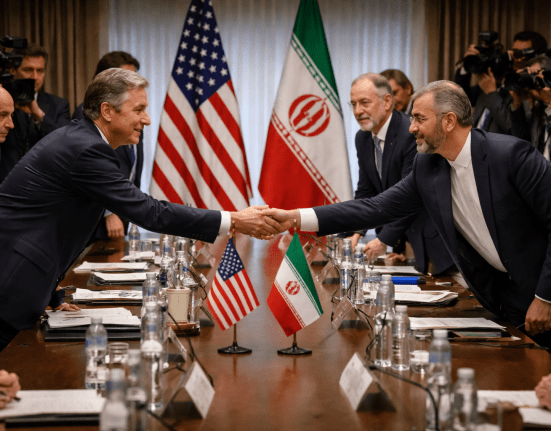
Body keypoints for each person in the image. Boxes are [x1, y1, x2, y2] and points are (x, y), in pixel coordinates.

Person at [0, 68, 284, 352]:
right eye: (139, 110)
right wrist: (233, 220)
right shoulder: (86, 149)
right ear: (107, 111)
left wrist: (52, 294)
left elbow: (47, 220)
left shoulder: (81, 140)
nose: (147, 119)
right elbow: (149, 212)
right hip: (10, 285)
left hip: (23, 280)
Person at [267, 80, 551, 347]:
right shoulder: (428, 166)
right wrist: (296, 217)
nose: (411, 127)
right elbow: (375, 207)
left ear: (449, 121)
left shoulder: (511, 155)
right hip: (504, 295)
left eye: (419, 119)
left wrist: (544, 297)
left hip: (543, 288)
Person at [348, 73, 452, 273]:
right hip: (403, 243)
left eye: (364, 102)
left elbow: (410, 195)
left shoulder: (410, 132)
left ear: (387, 102)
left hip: (434, 241)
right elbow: (366, 191)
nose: (358, 111)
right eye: (353, 104)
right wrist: (355, 233)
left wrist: (383, 240)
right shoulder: (362, 138)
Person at [73, 51, 143, 240]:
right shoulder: (88, 113)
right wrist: (108, 213)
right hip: (96, 219)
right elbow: (91, 169)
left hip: (123, 213)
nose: (134, 84)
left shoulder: (134, 115)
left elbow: (133, 167)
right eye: (127, 80)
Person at [0, 44, 71, 182]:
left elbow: (67, 146)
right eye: (28, 70)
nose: (35, 77)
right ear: (13, 70)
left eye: (40, 71)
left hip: (44, 185)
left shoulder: (59, 105)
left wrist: (39, 115)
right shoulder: (3, 100)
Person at [510, 55, 551, 156]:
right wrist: (517, 101)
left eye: (537, 75)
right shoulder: (538, 109)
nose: (535, 82)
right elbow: (520, 139)